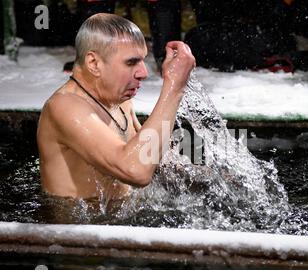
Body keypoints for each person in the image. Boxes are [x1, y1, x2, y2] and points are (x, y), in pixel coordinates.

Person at [37, 13, 195, 199]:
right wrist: (174, 88)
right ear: (94, 63)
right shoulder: (65, 107)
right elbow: (136, 171)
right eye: (131, 62)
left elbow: (150, 155)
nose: (143, 72)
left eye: (143, 60)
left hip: (118, 219)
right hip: (81, 226)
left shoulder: (119, 99)